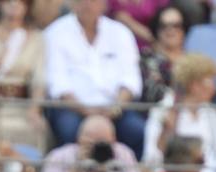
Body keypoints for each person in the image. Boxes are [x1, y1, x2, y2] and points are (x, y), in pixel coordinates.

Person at [42, 0, 144, 154]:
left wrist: (114, 109)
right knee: (68, 131)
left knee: (136, 131)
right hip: (72, 108)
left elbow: (131, 80)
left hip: (116, 108)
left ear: (104, 4)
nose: (88, 4)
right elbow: (57, 83)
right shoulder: (54, 33)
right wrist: (86, 111)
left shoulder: (121, 32)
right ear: (72, 4)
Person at [0, 0, 49, 154]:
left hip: (22, 105)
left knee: (39, 129)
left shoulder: (37, 38)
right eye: (9, 1)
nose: (14, 5)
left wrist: (35, 109)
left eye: (20, 2)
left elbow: (39, 80)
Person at [142, 52, 216, 172]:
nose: (215, 87)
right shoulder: (163, 110)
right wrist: (167, 129)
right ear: (195, 85)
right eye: (211, 81)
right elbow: (152, 157)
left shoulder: (212, 113)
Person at [40, 112, 148, 172]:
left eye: (103, 144)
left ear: (114, 141)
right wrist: (75, 171)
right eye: (90, 144)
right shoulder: (59, 156)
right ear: (78, 140)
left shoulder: (122, 153)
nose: (96, 150)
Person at [139, 3, 187, 104]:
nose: (170, 30)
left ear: (184, 29)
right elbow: (152, 94)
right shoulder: (147, 57)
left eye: (176, 25)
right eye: (164, 26)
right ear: (157, 30)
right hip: (156, 114)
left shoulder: (192, 60)